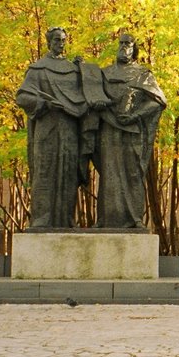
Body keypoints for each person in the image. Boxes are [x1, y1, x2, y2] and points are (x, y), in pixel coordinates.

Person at [86, 34, 167, 228]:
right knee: (109, 172)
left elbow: (158, 101)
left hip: (132, 130)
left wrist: (135, 115)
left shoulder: (142, 74)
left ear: (134, 49)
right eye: (121, 43)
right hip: (108, 128)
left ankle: (134, 219)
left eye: (128, 44)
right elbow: (91, 94)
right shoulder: (103, 74)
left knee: (133, 172)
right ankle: (105, 220)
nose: (124, 47)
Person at [16, 27, 90, 228]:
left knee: (68, 173)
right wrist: (44, 103)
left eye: (63, 40)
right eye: (57, 39)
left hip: (69, 130)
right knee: (45, 172)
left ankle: (66, 219)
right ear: (49, 42)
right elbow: (22, 97)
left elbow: (87, 95)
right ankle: (42, 220)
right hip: (47, 129)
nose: (60, 43)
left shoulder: (73, 69)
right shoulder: (38, 69)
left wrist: (84, 72)